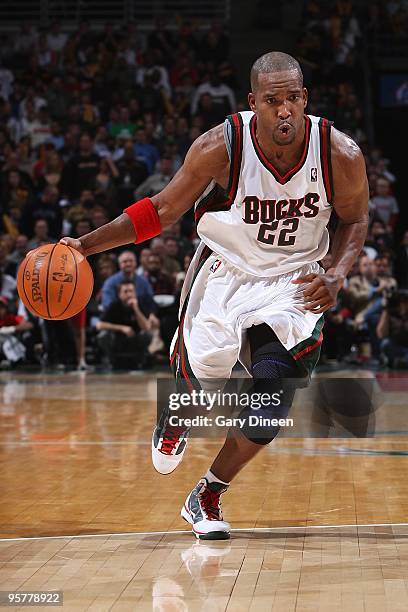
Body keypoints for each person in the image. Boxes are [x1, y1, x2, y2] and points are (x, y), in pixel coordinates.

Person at [60, 52, 369, 540]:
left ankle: (207, 493)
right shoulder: (221, 146)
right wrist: (85, 245)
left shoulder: (339, 154)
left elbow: (355, 219)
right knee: (201, 377)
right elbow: (161, 210)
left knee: (272, 400)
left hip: (292, 280)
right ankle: (176, 410)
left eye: (293, 98)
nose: (284, 110)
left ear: (305, 99)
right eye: (273, 101)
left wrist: (337, 275)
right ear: (254, 103)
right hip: (227, 272)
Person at [96, 281, 153, 369]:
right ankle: (111, 360)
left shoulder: (139, 304)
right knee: (103, 336)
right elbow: (99, 325)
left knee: (148, 335)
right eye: (125, 291)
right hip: (117, 339)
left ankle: (141, 360)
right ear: (119, 294)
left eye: (131, 291)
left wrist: (136, 309)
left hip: (135, 338)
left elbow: (147, 327)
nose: (129, 294)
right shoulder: (114, 305)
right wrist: (122, 328)